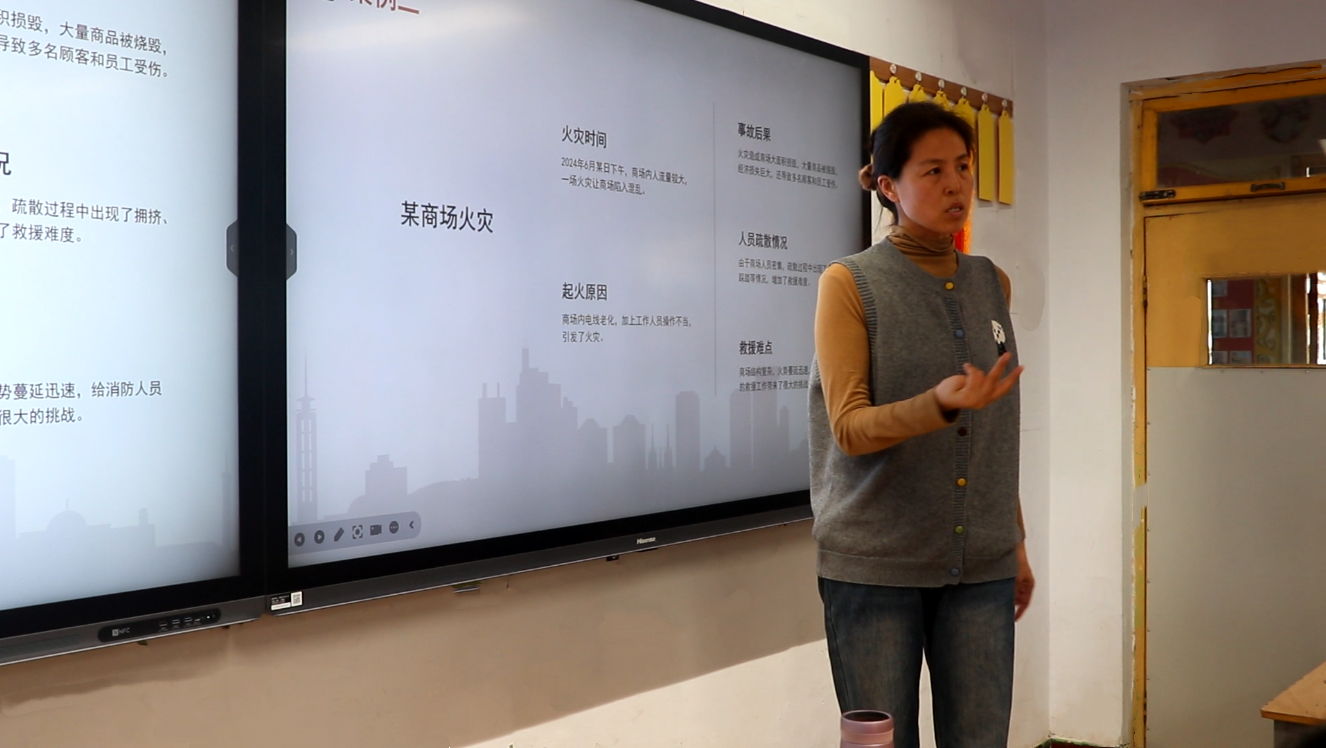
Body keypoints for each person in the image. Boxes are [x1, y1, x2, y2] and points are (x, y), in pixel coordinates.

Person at [808, 101, 1034, 748]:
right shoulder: (850, 283)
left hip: (981, 562)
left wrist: (1014, 542)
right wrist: (937, 402)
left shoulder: (993, 284)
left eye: (963, 167)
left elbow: (992, 436)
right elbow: (850, 427)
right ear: (889, 186)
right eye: (933, 171)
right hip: (875, 565)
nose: (956, 184)